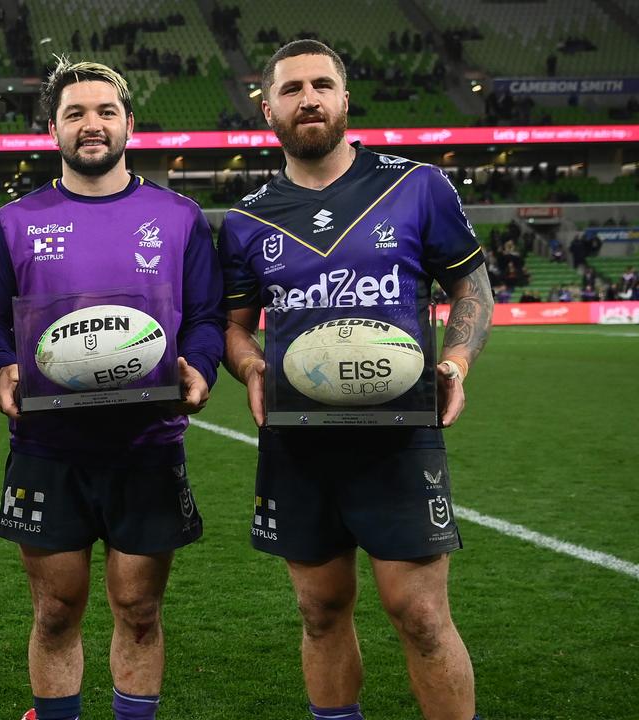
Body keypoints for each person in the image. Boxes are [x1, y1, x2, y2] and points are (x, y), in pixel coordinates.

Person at [217, 40, 493, 720]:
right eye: (291, 88)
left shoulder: (417, 185)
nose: (307, 97)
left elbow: (473, 288)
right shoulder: (247, 218)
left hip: (398, 434)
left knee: (421, 615)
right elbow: (233, 325)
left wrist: (455, 363)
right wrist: (250, 366)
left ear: (345, 98)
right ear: (268, 109)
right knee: (319, 611)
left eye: (321, 84)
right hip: (298, 440)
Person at [0, 58, 224, 720]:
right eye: (76, 113)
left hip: (147, 442)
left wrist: (199, 364)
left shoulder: (179, 216)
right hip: (48, 445)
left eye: (106, 111)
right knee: (55, 612)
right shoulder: (15, 222)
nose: (92, 124)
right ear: (52, 128)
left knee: (139, 610)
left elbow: (204, 317)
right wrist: (0, 367)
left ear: (129, 123)